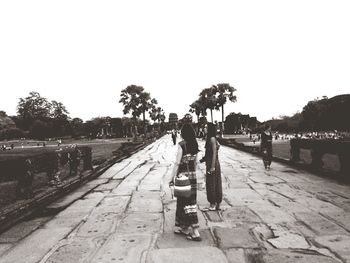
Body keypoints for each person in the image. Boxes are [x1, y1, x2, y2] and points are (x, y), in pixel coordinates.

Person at [170, 123, 201, 241]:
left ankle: (195, 232)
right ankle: (183, 227)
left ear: (183, 133)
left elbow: (177, 163)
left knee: (187, 203)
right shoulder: (195, 144)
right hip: (193, 177)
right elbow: (196, 163)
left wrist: (171, 177)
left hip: (183, 177)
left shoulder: (182, 145)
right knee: (186, 201)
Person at [200, 122, 222, 211]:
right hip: (211, 162)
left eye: (206, 127)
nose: (204, 129)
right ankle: (217, 204)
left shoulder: (212, 139)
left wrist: (212, 167)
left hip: (213, 163)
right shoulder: (211, 139)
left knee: (211, 184)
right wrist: (202, 160)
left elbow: (214, 153)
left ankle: (213, 204)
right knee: (215, 183)